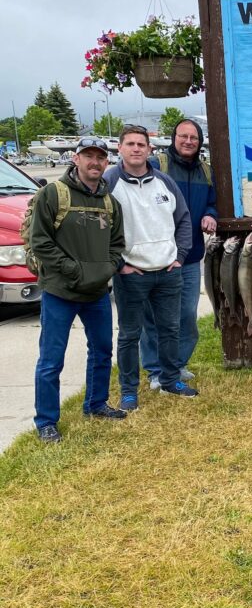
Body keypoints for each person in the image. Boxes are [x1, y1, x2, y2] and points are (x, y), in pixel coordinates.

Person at [30, 138, 126, 442]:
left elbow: (117, 244)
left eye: (100, 157)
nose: (95, 162)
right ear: (76, 158)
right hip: (60, 292)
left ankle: (96, 404)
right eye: (89, 156)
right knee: (51, 360)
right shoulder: (53, 194)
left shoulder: (111, 203)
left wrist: (107, 268)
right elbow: (40, 241)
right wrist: (71, 269)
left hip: (97, 293)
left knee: (101, 351)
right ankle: (46, 421)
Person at [104, 125, 195, 410]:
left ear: (149, 149)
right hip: (132, 274)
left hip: (168, 270)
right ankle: (129, 390)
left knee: (170, 329)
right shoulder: (110, 182)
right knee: (130, 334)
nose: (136, 149)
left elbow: (183, 219)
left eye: (141, 144)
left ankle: (170, 379)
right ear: (120, 148)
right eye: (130, 144)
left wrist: (179, 256)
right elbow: (100, 227)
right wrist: (119, 264)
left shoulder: (164, 182)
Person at [141, 119, 217, 389]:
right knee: (154, 317)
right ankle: (154, 370)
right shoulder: (157, 166)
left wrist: (210, 214)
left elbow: (213, 201)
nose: (188, 141)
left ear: (200, 142)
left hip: (191, 255)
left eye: (194, 138)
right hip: (157, 256)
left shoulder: (206, 172)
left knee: (186, 314)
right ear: (174, 139)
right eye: (183, 136)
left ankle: (177, 364)